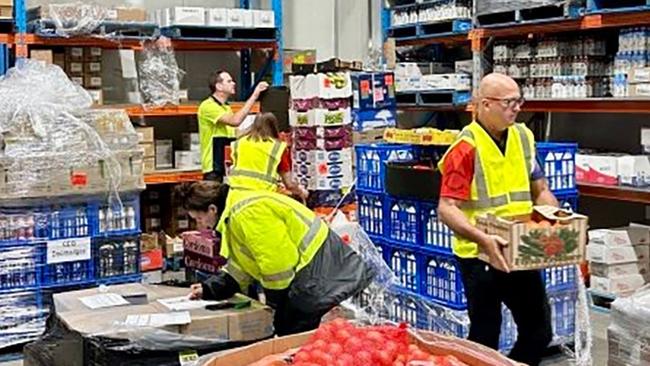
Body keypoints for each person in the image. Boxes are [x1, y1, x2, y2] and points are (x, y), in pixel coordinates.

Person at [437, 73, 558, 366]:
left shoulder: (523, 137)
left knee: (538, 331)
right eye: (508, 102)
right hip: (480, 256)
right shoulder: (465, 148)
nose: (516, 108)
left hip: (518, 250)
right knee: (485, 335)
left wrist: (559, 223)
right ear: (485, 104)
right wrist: (483, 239)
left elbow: (540, 189)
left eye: (519, 101)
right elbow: (447, 207)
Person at [175, 181, 375, 336]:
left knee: (292, 333)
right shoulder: (234, 214)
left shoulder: (247, 213)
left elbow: (277, 266)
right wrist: (210, 288)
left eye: (199, 219)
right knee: (291, 332)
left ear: (212, 209)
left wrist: (273, 306)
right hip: (314, 269)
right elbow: (242, 267)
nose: (200, 225)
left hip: (322, 269)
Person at [198, 69, 268, 182]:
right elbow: (235, 121)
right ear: (219, 86)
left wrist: (255, 126)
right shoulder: (208, 106)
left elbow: (235, 135)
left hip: (227, 164)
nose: (234, 83)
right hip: (213, 168)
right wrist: (254, 95)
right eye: (229, 81)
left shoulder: (226, 107)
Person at [229, 112, 308, 200]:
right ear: (274, 127)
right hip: (262, 198)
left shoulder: (239, 143)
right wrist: (301, 192)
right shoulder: (277, 147)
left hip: (235, 196)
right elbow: (289, 184)